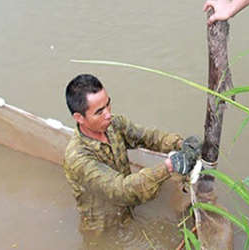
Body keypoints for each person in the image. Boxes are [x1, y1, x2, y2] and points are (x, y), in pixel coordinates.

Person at [63, 73, 202, 234]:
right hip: (105, 229)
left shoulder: (113, 124)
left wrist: (180, 143)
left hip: (129, 211)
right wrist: (169, 166)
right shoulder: (78, 158)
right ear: (79, 117)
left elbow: (147, 137)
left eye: (108, 104)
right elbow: (121, 190)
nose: (108, 114)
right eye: (99, 112)